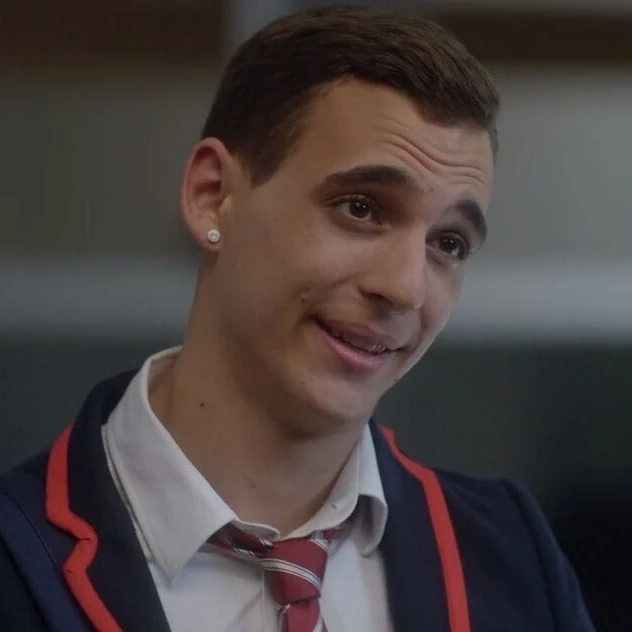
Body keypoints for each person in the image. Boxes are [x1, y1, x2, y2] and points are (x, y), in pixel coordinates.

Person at [0, 6, 595, 632]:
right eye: (360, 208)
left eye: (448, 243)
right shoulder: (17, 560)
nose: (404, 287)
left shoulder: (512, 559)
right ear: (213, 196)